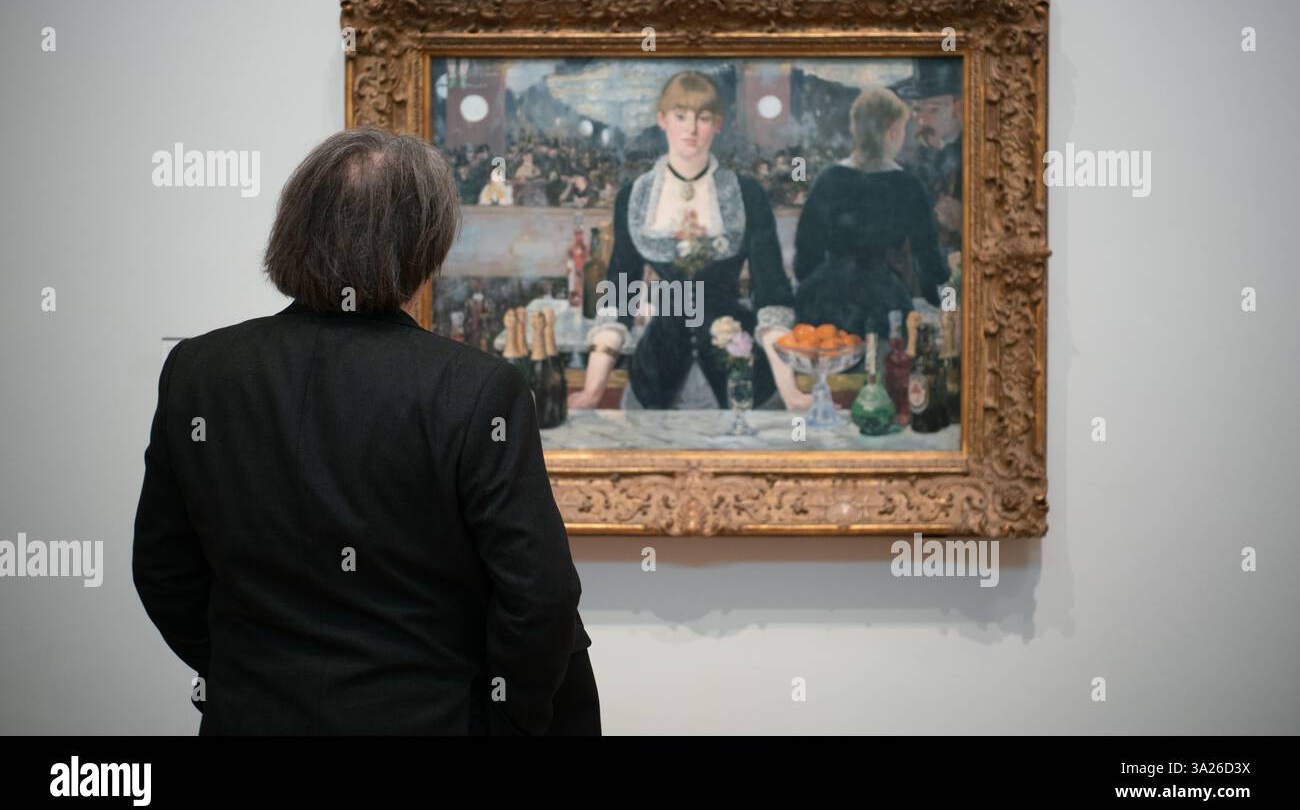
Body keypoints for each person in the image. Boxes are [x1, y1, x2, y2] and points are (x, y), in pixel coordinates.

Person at [132, 127, 598, 735]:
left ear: (294, 228)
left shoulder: (198, 371)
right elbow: (540, 598)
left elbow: (164, 572)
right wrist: (503, 723)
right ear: (424, 246)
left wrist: (252, 676)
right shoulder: (474, 387)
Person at [568, 70, 808, 411]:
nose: (692, 130)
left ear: (718, 125)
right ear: (662, 120)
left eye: (703, 118)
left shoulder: (747, 195)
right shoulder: (634, 198)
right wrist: (593, 390)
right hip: (658, 371)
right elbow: (620, 299)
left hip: (739, 370)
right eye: (681, 117)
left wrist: (791, 392)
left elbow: (771, 298)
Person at [793, 86, 949, 344]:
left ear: (856, 129)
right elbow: (929, 260)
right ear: (892, 133)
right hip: (883, 302)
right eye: (902, 130)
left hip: (823, 302)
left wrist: (815, 287)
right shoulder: (908, 186)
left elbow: (805, 257)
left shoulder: (828, 180)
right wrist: (946, 302)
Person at [891, 59, 963, 255]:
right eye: (916, 110)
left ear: (959, 108)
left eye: (933, 109)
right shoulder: (911, 163)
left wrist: (966, 222)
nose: (922, 121)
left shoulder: (982, 156)